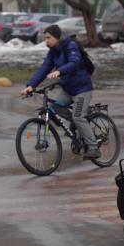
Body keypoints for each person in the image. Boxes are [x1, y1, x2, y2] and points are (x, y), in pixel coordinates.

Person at [20, 25, 101, 160]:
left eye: (48, 38)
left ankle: (93, 148)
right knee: (54, 108)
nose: (46, 41)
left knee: (78, 116)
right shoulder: (53, 51)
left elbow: (74, 62)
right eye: (45, 38)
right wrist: (31, 86)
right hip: (68, 89)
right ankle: (76, 125)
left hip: (82, 90)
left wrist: (60, 71)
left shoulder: (71, 46)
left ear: (57, 37)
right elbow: (44, 69)